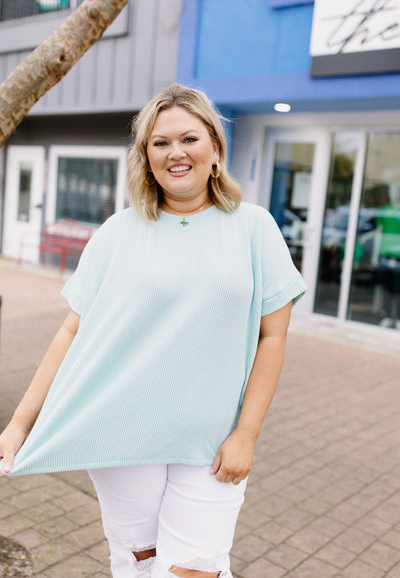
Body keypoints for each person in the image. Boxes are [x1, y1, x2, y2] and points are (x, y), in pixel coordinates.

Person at [0, 84, 306, 578]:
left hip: (212, 441)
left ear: (215, 148)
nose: (175, 152)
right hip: (121, 430)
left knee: (195, 569)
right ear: (146, 157)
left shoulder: (255, 228)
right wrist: (18, 426)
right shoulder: (117, 233)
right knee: (139, 564)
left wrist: (246, 433)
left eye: (189, 138)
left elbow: (273, 337)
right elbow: (71, 335)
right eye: (160, 143)